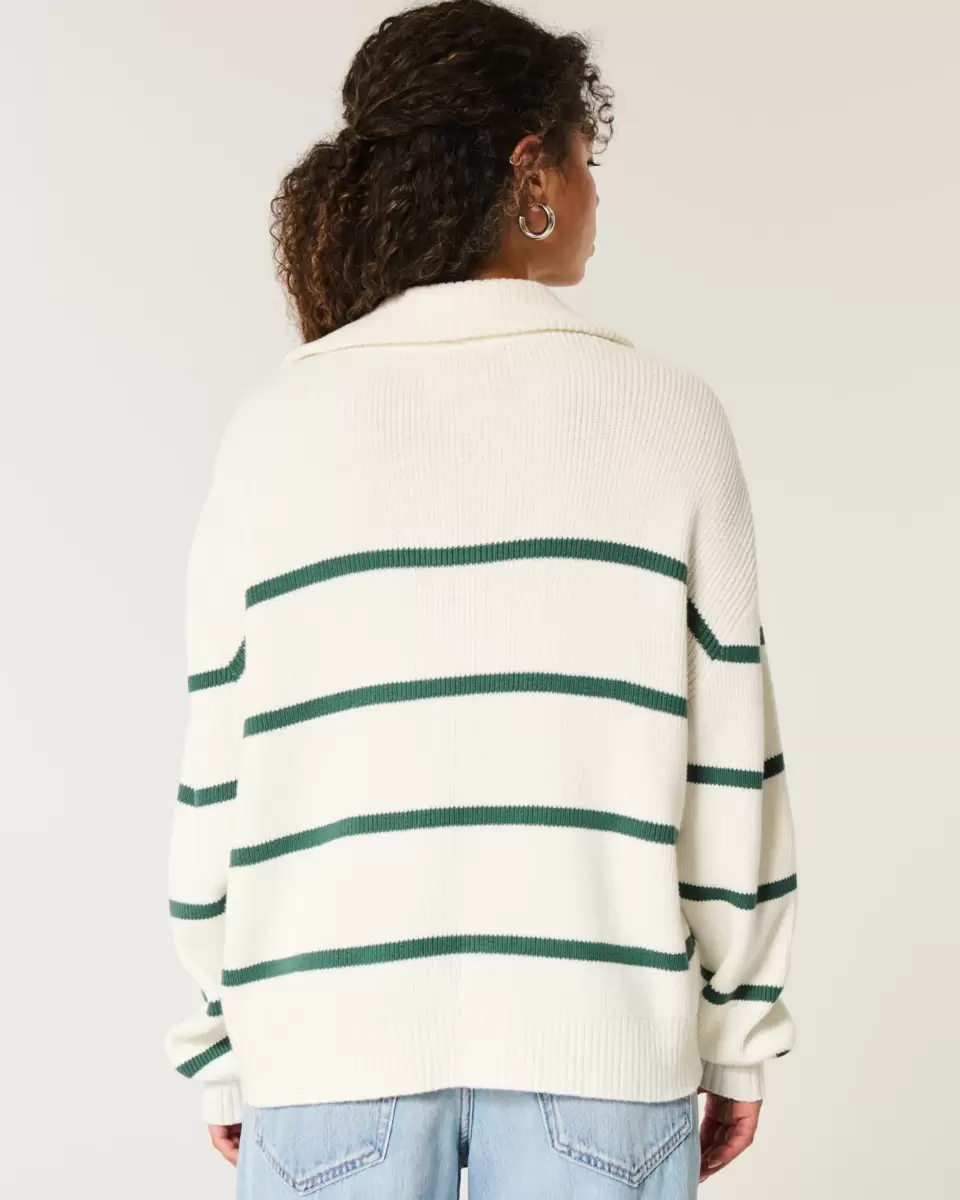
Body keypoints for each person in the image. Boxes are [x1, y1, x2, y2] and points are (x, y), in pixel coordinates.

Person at [164, 2, 798, 1196]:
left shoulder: (272, 432)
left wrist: (218, 1043)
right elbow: (730, 774)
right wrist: (738, 1035)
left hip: (326, 1051)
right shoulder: (671, 418)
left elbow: (219, 779)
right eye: (586, 159)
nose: (596, 196)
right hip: (602, 1051)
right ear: (530, 170)